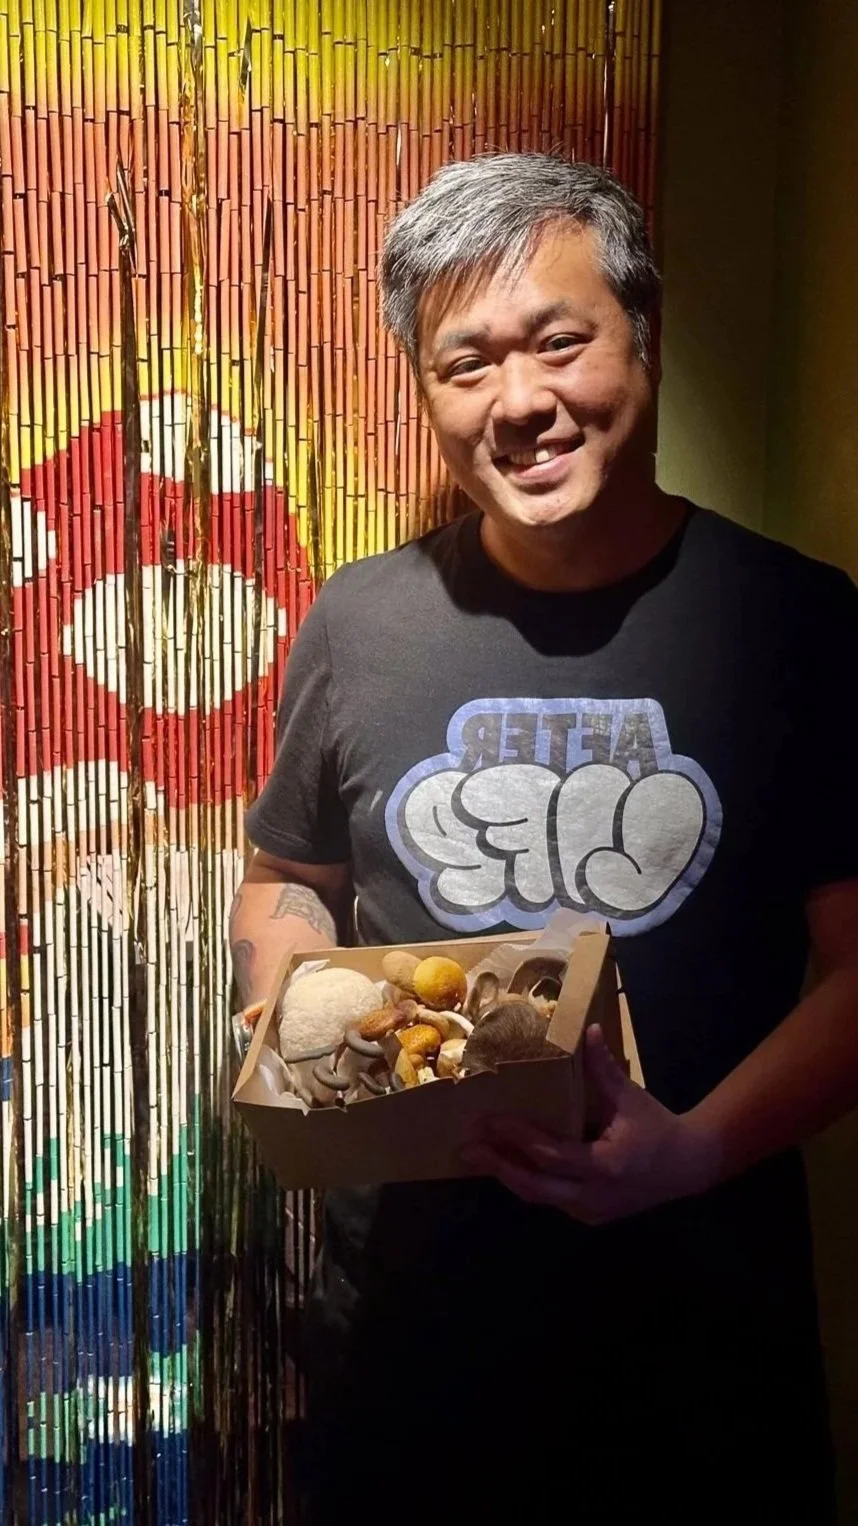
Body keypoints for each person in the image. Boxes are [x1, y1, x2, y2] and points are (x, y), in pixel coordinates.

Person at [230, 153, 858, 1523]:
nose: (518, 401)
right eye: (466, 364)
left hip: (704, 1344)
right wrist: (288, 998)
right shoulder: (357, 621)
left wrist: (689, 1152)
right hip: (407, 1337)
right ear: (425, 391)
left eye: (559, 342)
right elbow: (288, 881)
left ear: (644, 334)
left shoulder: (802, 620)